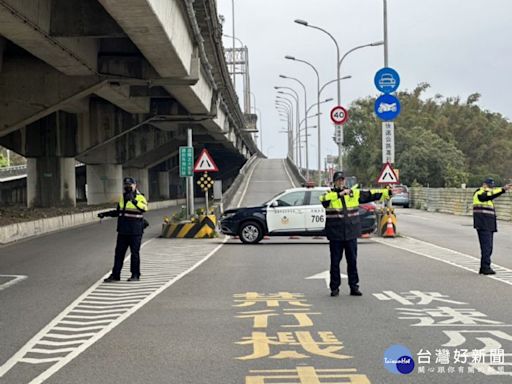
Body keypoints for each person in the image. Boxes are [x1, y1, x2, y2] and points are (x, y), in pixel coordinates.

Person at [320, 171, 390, 297]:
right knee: (335, 262)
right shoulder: (329, 194)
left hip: (351, 233)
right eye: (338, 180)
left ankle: (354, 287)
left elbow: (370, 195)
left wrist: (386, 193)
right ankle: (334, 288)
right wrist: (339, 194)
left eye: (342, 180)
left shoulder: (353, 193)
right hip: (336, 234)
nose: (341, 182)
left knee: (352, 261)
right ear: (334, 182)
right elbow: (324, 201)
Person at [98, 177, 148, 282]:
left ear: (135, 186)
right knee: (119, 254)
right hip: (123, 231)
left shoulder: (140, 197)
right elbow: (119, 212)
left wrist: (133, 200)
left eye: (130, 185)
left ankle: (135, 275)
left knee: (134, 253)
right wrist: (105, 214)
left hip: (135, 231)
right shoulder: (123, 197)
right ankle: (116, 275)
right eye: (126, 185)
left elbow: (144, 209)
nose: (128, 187)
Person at [472, 178, 512, 275]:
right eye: (489, 186)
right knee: (486, 247)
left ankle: (483, 267)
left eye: (491, 187)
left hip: (488, 224)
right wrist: (503, 189)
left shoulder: (486, 194)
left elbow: (492, 194)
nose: (490, 188)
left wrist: (504, 189)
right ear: (484, 184)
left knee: (488, 247)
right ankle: (486, 267)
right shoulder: (479, 193)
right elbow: (489, 195)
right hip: (483, 224)